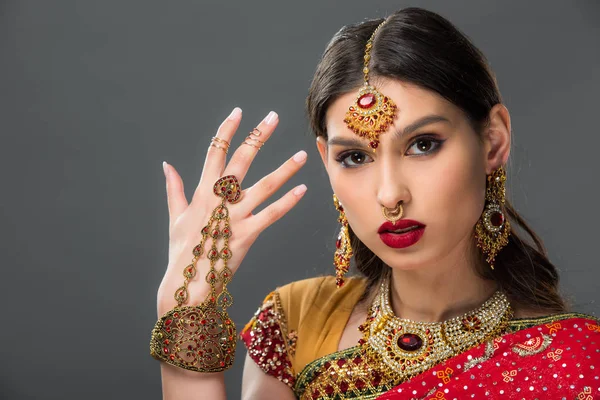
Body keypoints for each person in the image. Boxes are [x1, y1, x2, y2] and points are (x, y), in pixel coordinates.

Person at [149, 7, 600, 400]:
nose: (389, 194)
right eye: (355, 157)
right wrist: (186, 308)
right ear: (327, 162)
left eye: (423, 145)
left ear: (493, 141)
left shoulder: (576, 363)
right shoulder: (297, 325)